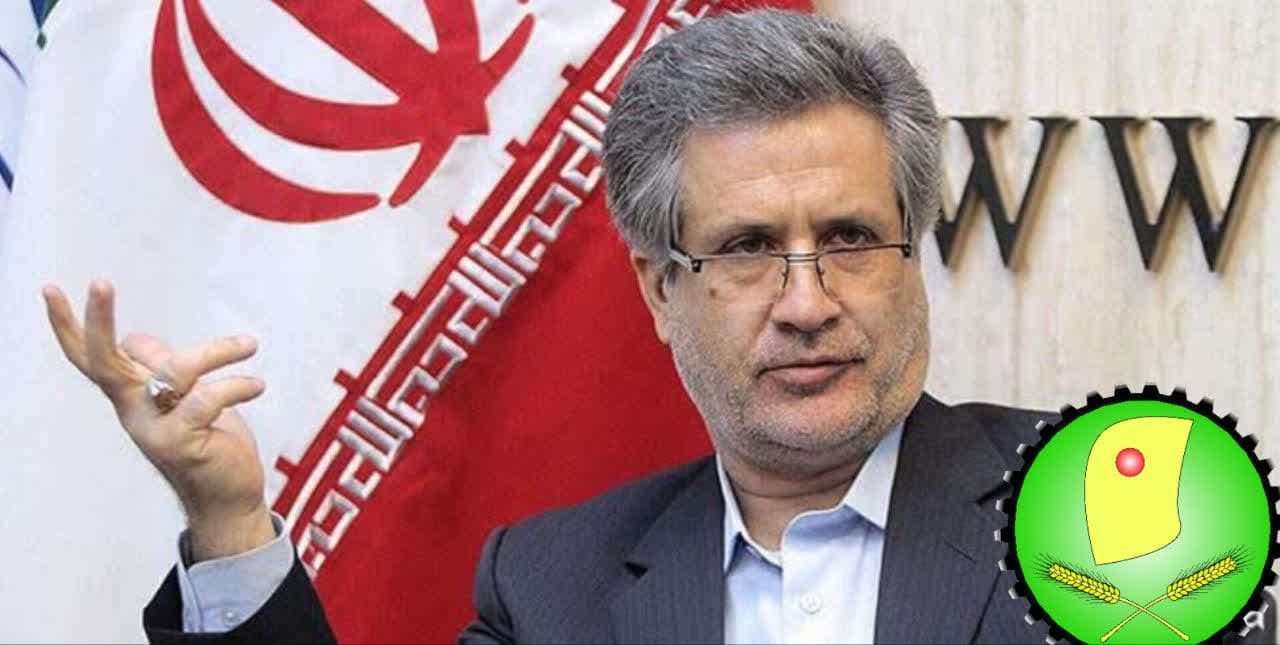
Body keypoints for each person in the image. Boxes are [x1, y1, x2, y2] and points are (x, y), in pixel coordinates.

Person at [40, 9, 1271, 645]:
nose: (806, 300)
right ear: (657, 291)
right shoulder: (551, 585)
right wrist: (228, 520)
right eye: (744, 250)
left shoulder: (1112, 508)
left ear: (911, 255)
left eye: (849, 236)